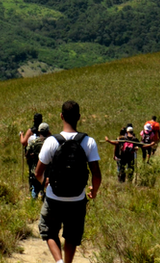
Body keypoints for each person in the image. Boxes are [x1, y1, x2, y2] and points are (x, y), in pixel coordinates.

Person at [35, 100, 102, 263]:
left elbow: (38, 172)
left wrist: (44, 183)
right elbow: (96, 174)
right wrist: (93, 191)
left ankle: (58, 261)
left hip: (53, 197)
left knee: (49, 232)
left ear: (61, 116)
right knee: (72, 235)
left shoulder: (51, 142)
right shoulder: (89, 142)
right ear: (79, 117)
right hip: (77, 199)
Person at [25, 122, 51, 199]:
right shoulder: (50, 142)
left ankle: (33, 202)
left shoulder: (33, 142)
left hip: (35, 169)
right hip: (47, 170)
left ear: (39, 131)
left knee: (35, 188)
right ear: (48, 131)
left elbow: (27, 155)